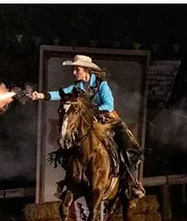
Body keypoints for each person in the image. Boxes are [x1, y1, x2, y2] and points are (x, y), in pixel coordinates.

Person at [27, 54, 145, 198]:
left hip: (107, 120)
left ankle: (130, 183)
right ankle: (69, 181)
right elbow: (61, 93)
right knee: (67, 147)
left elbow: (109, 105)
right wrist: (41, 96)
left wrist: (91, 112)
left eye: (77, 69)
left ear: (86, 71)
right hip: (89, 122)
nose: (74, 72)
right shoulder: (77, 86)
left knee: (126, 145)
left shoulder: (102, 85)